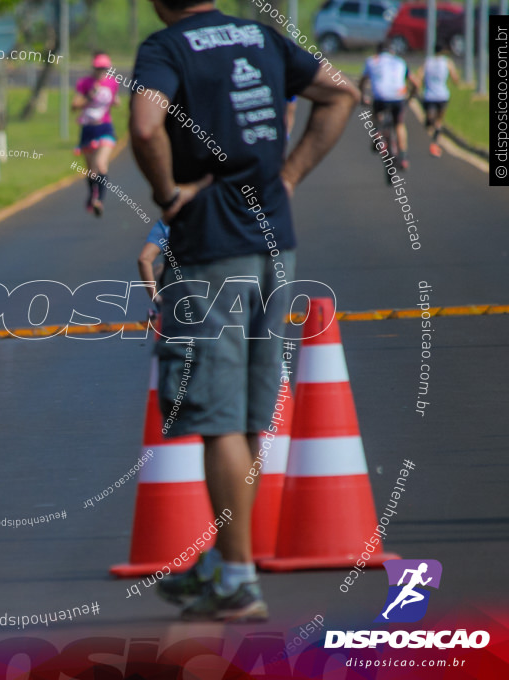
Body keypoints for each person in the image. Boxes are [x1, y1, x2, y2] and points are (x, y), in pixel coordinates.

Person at [129, 0, 359, 621]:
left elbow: (147, 127)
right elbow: (341, 94)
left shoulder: (167, 48)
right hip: (274, 246)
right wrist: (288, 177)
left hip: (211, 252)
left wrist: (168, 194)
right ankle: (221, 563)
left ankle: (238, 578)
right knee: (251, 418)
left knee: (219, 417)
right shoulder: (259, 36)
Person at [359, 42, 420, 169]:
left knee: (375, 113)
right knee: (399, 124)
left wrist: (362, 95)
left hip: (380, 97)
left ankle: (376, 133)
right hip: (398, 97)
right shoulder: (400, 62)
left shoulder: (372, 61)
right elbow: (415, 83)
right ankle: (403, 157)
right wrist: (411, 96)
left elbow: (363, 81)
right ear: (392, 51)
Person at [72, 52, 120, 216]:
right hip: (88, 129)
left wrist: (116, 101)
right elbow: (75, 105)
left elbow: (114, 99)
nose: (102, 71)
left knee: (101, 164)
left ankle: (99, 201)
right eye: (99, 68)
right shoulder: (84, 83)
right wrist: (90, 95)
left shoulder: (112, 83)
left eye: (105, 68)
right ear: (94, 68)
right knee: (92, 171)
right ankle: (92, 195)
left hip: (105, 128)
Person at [416, 43, 460, 157]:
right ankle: (435, 143)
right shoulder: (447, 62)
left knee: (430, 121)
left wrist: (418, 87)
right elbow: (455, 78)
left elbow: (419, 77)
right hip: (442, 96)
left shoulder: (428, 62)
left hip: (429, 95)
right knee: (439, 121)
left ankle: (434, 143)